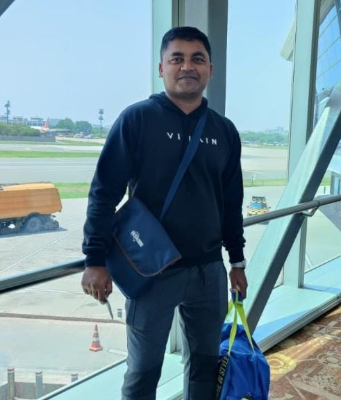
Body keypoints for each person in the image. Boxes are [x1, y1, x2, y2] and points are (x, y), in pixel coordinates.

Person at [81, 26, 247, 400]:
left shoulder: (224, 131)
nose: (187, 66)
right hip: (151, 271)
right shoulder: (137, 119)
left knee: (204, 366)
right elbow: (104, 192)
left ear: (210, 70)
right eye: (177, 58)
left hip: (208, 271)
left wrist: (236, 261)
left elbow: (230, 202)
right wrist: (94, 260)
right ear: (162, 68)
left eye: (197, 59)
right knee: (143, 372)